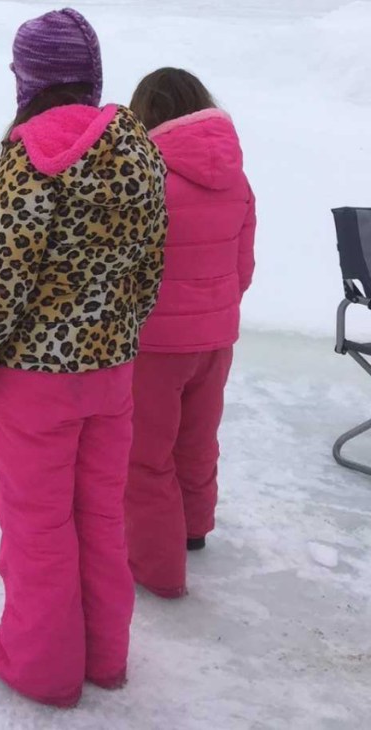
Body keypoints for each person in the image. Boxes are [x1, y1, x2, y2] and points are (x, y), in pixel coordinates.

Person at [0, 8, 167, 708]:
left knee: (38, 528)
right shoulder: (138, 146)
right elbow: (151, 266)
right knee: (99, 518)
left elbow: (2, 280)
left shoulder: (31, 149)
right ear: (92, 75)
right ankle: (104, 658)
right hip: (111, 374)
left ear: (28, 79)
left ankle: (41, 668)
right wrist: (118, 333)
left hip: (33, 381)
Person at [124, 68, 256, 597]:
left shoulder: (145, 178)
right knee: (198, 438)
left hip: (155, 345)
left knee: (147, 456)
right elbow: (243, 266)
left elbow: (127, 267)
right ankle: (194, 530)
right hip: (217, 339)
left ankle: (158, 570)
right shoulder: (236, 177)